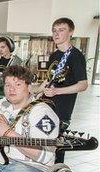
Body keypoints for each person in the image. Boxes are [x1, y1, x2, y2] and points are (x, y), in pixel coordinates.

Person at [40, 17, 88, 163]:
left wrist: (57, 92)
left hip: (62, 110)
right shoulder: (54, 55)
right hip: (47, 106)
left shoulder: (75, 55)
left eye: (61, 30)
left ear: (71, 32)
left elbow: (83, 84)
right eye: (54, 30)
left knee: (56, 148)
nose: (56, 33)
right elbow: (50, 80)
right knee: (43, 145)